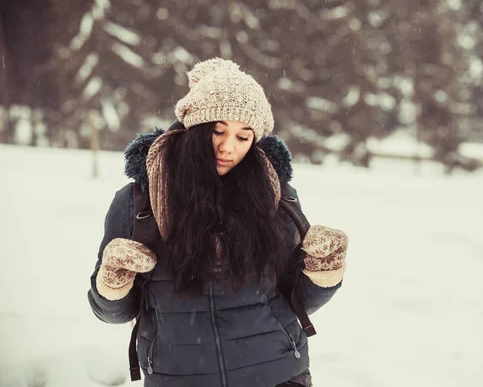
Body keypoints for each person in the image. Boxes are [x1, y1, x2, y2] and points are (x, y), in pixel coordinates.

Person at [87, 58, 348, 387]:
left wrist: (325, 273)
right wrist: (113, 284)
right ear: (193, 129)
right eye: (218, 131)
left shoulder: (275, 195)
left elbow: (296, 299)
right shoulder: (139, 201)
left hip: (277, 374)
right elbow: (114, 312)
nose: (229, 147)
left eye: (243, 136)